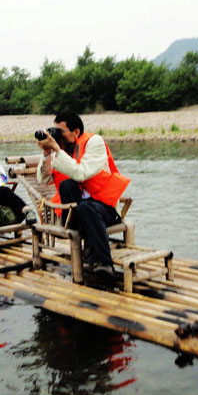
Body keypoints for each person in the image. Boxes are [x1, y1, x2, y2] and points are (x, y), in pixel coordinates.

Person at [36, 111, 130, 285]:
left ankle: (104, 264)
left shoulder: (94, 143)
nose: (57, 137)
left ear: (76, 132)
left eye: (60, 132)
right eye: (54, 132)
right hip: (73, 214)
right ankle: (95, 256)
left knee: (86, 207)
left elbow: (82, 172)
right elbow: (43, 179)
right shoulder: (62, 150)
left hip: (105, 207)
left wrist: (57, 149)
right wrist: (48, 153)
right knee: (66, 186)